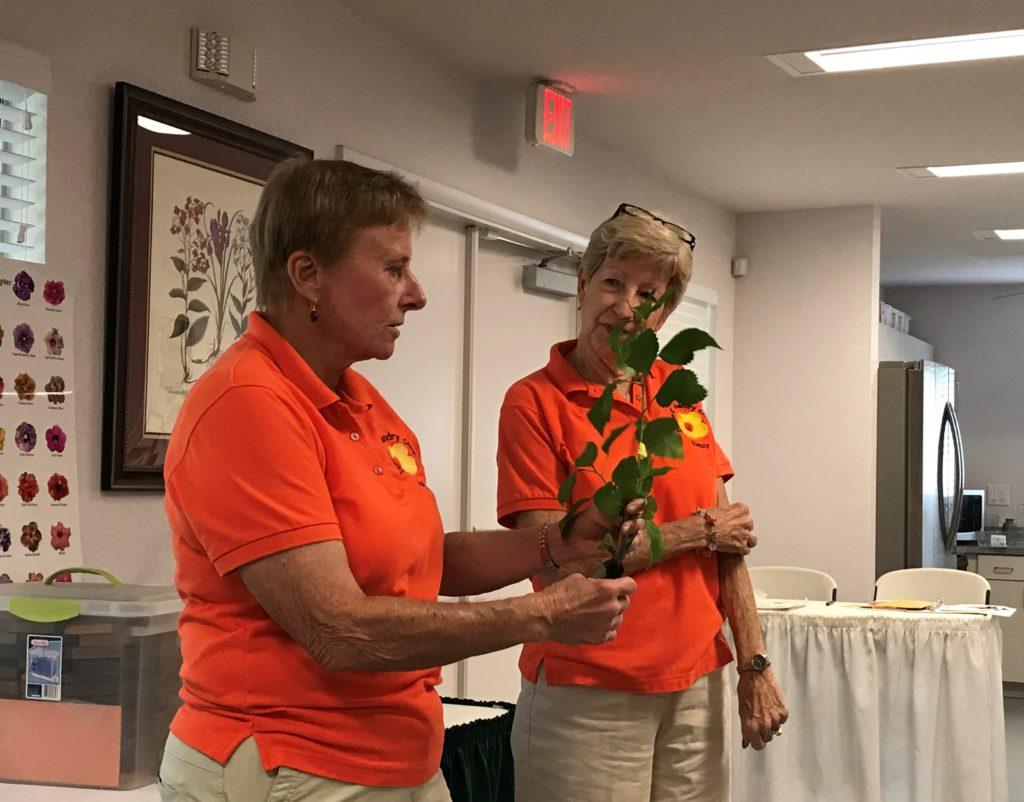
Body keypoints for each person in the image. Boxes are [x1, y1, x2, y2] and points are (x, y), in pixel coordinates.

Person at [157, 158, 641, 802]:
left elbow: (420, 562)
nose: (415, 293)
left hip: (395, 752)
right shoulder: (248, 403)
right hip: (293, 759)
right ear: (308, 276)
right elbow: (338, 627)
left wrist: (558, 544)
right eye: (393, 268)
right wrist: (543, 613)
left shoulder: (362, 404)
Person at [496, 203, 788, 802]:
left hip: (697, 684)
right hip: (589, 688)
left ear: (667, 310)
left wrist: (754, 664)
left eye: (649, 294)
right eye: (612, 282)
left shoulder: (679, 399)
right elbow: (559, 561)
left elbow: (729, 546)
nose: (627, 307)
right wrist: (694, 531)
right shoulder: (533, 403)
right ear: (582, 284)